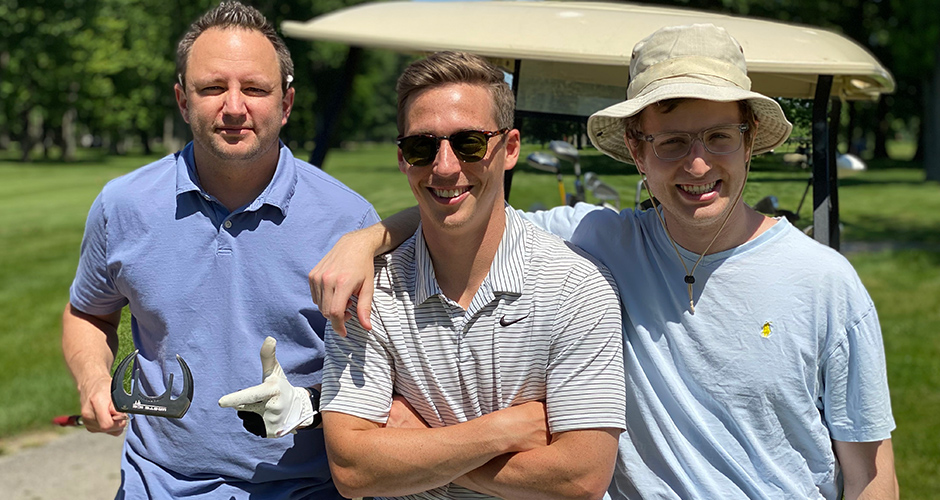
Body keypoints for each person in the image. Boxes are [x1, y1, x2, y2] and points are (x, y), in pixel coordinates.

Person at [308, 25, 898, 500]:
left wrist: (426, 452)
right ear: (638, 152)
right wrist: (369, 239)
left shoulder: (824, 282)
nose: (696, 166)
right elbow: (462, 207)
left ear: (749, 143)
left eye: (717, 137)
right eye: (670, 143)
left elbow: (871, 476)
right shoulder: (600, 239)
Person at [61, 2, 379, 498]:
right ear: (183, 102)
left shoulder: (349, 221)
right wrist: (92, 380)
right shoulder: (123, 205)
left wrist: (307, 404)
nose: (234, 107)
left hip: (303, 488)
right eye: (212, 88)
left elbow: (380, 376)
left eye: (255, 89)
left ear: (287, 104)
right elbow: (88, 313)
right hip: (156, 484)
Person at [316, 51, 624, 500]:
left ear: (510, 148)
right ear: (403, 159)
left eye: (469, 143)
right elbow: (352, 469)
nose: (444, 166)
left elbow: (581, 478)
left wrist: (414, 445)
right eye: (421, 146)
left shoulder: (576, 288)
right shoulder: (367, 293)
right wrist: (501, 432)